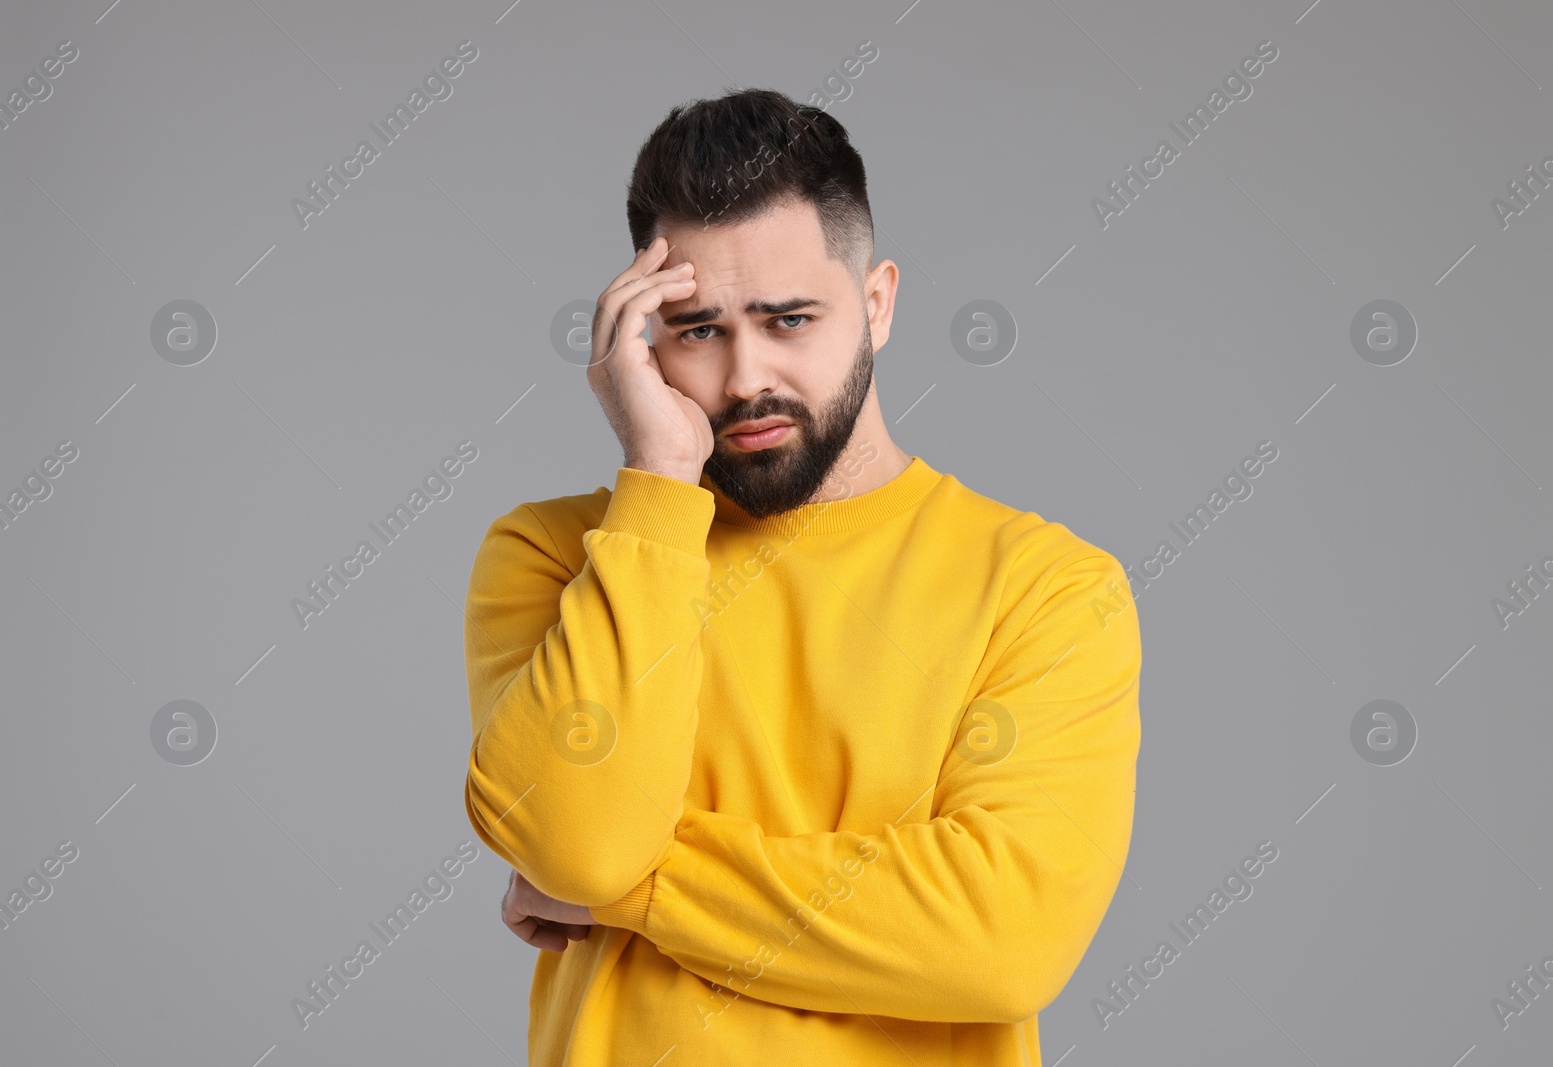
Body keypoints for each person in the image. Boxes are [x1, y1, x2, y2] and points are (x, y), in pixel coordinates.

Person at [462, 87, 1142, 1066]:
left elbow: (1003, 936)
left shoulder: (1045, 587)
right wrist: (654, 487)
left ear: (876, 303)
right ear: (640, 340)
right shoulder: (558, 554)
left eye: (788, 319)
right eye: (697, 329)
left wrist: (635, 892)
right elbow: (578, 845)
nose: (745, 378)